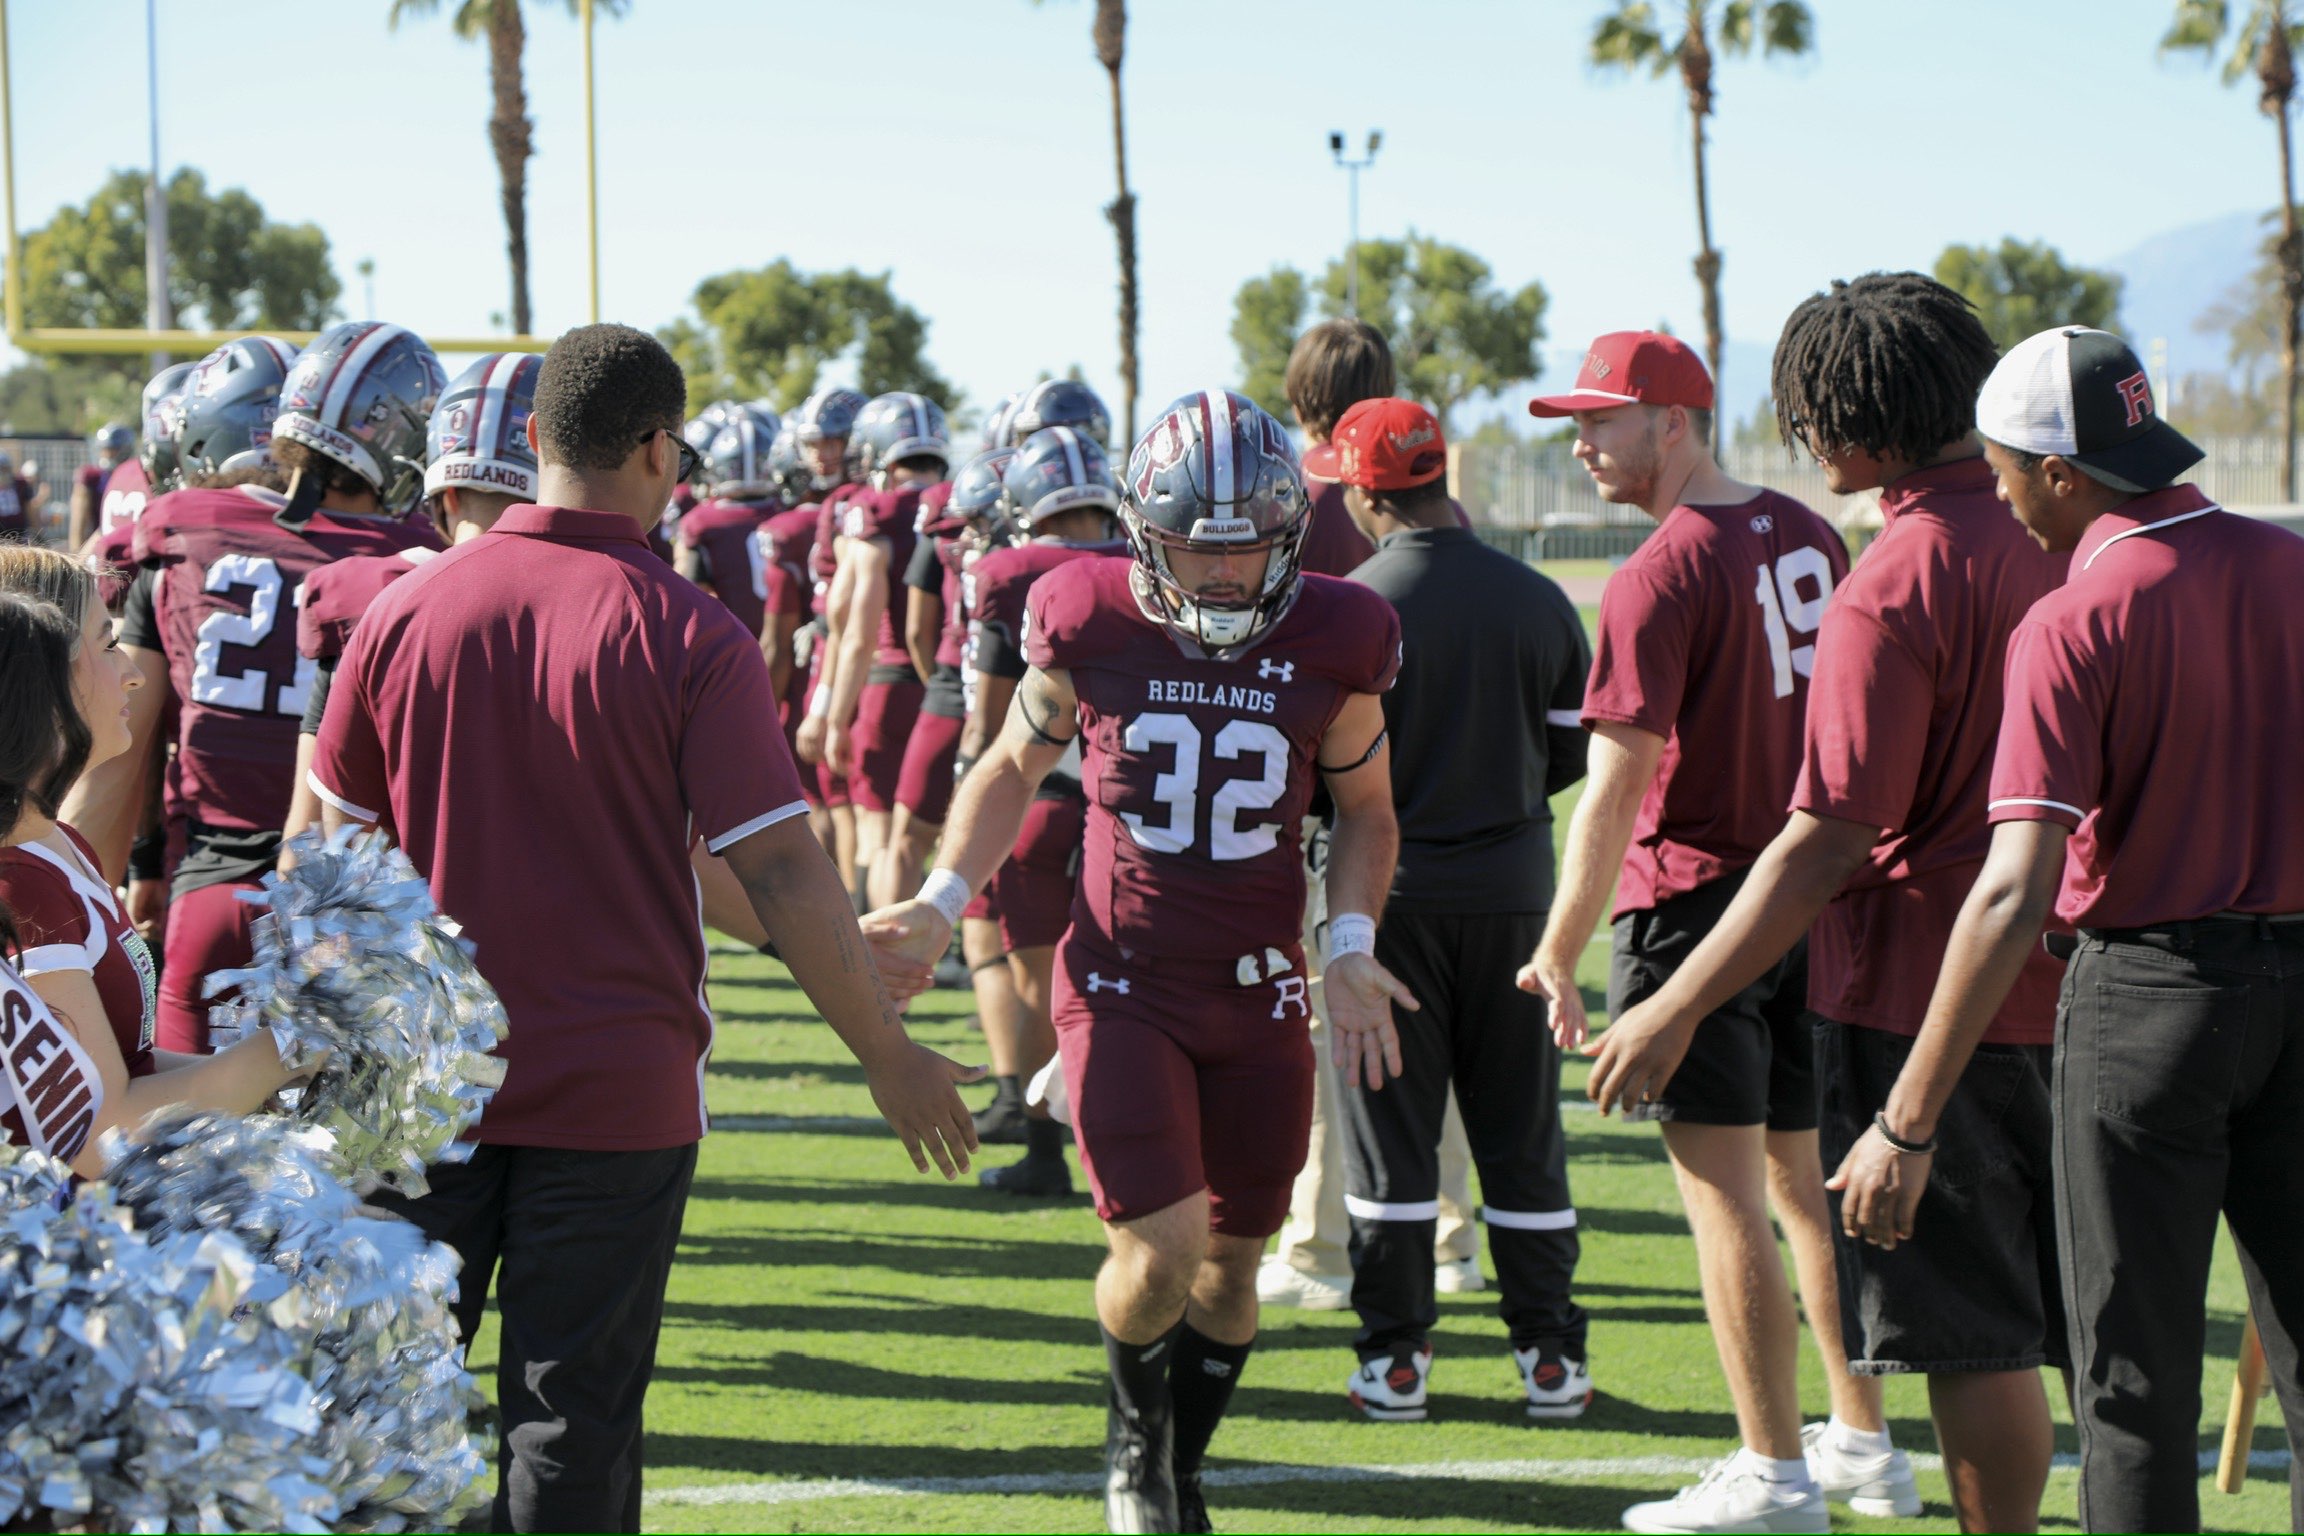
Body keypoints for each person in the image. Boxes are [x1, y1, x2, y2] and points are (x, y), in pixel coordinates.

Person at [308, 323, 979, 1533]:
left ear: (529, 440)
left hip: (413, 1089)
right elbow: (774, 863)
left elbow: (326, 850)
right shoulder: (683, 630)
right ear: (664, 451)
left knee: (377, 1423)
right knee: (573, 1436)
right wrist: (888, 1052)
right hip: (613, 1097)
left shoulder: (404, 615)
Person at [868, 389, 1411, 1534]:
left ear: (1288, 534)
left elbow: (1366, 809)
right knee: (1162, 1247)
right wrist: (936, 900)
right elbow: (1013, 768)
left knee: (1233, 1267)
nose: (1219, 577)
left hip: (1262, 985)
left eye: (1247, 548)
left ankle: (1181, 1462)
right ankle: (1130, 1449)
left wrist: (1350, 943)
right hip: (1123, 978)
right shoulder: (1086, 615)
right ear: (1140, 529)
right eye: (1189, 549)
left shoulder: (1339, 634)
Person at [1587, 276, 2060, 1530]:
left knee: (1974, 1339)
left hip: (1925, 987)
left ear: (1848, 424)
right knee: (2096, 1327)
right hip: (2089, 970)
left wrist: (1674, 1003)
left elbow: (1826, 840)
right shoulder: (2061, 534)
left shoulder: (1898, 573)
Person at [1838, 325, 2304, 1534]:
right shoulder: (2292, 566)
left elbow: (2010, 889)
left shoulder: (2072, 615)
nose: (1997, 493)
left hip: (2150, 1000)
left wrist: (1907, 1116)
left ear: (2060, 471)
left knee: (2133, 1382)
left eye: (2000, 469)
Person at [1515, 332, 1884, 1536]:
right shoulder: (1812, 531)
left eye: (1603, 420)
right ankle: (1862, 1445)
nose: (1582, 444)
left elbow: (1611, 796)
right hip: (1807, 898)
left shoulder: (1659, 572)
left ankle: (1776, 1474)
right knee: (1800, 1187)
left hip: (1694, 907)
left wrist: (1560, 947)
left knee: (1729, 1199)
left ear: (1673, 420)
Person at [1304, 397, 1595, 1423]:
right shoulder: (1537, 596)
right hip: (1517, 897)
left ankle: (1394, 1361)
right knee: (1521, 1131)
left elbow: (1317, 784)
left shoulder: (1342, 607)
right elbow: (1572, 756)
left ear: (1358, 489)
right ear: (1443, 472)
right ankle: (1550, 1357)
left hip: (1382, 911)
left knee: (1391, 1135)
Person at [56, 328, 440, 1053]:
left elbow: (116, 750)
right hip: (355, 910)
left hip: (215, 886)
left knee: (180, 1147)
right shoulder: (417, 563)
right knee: (359, 1160)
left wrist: (80, 904)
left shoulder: (176, 538)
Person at [1259, 319, 1485, 1316]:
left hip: (1334, 803)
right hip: (1439, 805)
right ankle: (1451, 1236)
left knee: (1329, 1023)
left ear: (1301, 395)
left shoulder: (1290, 502)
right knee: (1430, 1029)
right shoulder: (1448, 514)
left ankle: (1317, 1243)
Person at [0, 557, 298, 1175]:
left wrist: (271, 1089)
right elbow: (106, 1133)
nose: (134, 676)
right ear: (39, 674)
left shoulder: (60, 846)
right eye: (109, 646)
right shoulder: (19, 884)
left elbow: (126, 1068)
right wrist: (302, 1046)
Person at [961, 425, 1126, 1197]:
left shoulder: (1012, 574)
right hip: (1136, 810)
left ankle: (1047, 1152)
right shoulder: (1150, 568)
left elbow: (992, 718)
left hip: (1042, 798)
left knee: (1044, 992)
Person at [819, 392, 949, 912]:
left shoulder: (875, 509)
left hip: (887, 686)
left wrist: (833, 714)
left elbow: (857, 626)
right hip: (948, 688)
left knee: (880, 839)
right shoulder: (957, 505)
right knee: (927, 842)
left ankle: (878, 974)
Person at [790, 386, 872, 899]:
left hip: (868, 670)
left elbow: (844, 620)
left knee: (855, 806)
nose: (823, 454)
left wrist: (823, 704)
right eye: (815, 442)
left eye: (835, 441)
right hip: (869, 668)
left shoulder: (852, 509)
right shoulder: (844, 504)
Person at [68, 423, 136, 551]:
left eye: (112, 450)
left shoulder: (136, 475)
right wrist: (76, 555)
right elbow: (78, 522)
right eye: (104, 449)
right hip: (99, 542)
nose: (106, 455)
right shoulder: (92, 477)